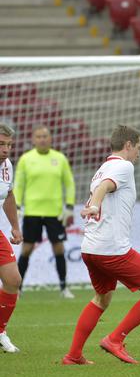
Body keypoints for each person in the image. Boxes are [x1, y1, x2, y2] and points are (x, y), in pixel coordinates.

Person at [62, 125, 140, 365]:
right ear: (128, 145)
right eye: (138, 148)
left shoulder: (102, 168)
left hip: (90, 248)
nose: (139, 154)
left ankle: (73, 355)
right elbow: (104, 188)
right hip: (112, 250)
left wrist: (95, 206)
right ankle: (114, 339)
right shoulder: (123, 166)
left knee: (102, 299)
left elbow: (103, 185)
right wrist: (95, 205)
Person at [14, 126, 76, 298]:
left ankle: (64, 288)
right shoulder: (26, 159)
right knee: (26, 249)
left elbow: (69, 183)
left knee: (59, 248)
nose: (42, 139)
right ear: (33, 140)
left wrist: (69, 207)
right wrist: (17, 206)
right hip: (32, 212)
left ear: (50, 139)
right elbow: (19, 185)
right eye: (38, 136)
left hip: (54, 213)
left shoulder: (60, 158)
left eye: (45, 136)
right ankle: (18, 289)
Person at [0, 125, 25, 353]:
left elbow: (8, 195)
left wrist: (15, 227)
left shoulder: (7, 166)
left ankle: (0, 331)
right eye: (1, 144)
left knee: (13, 279)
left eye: (9, 144)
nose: (6, 149)